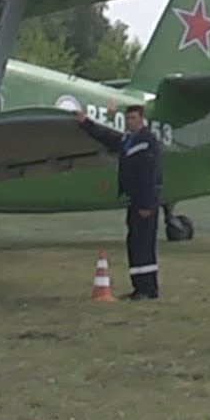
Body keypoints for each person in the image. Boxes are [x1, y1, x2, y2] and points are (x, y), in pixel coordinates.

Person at [73, 103, 163, 300]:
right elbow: (108, 137)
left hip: (144, 202)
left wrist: (147, 204)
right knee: (135, 243)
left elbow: (150, 175)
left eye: (133, 118)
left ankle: (148, 289)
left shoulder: (147, 142)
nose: (130, 122)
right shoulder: (128, 140)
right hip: (134, 200)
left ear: (141, 119)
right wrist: (86, 123)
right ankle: (140, 287)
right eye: (128, 118)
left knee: (144, 245)